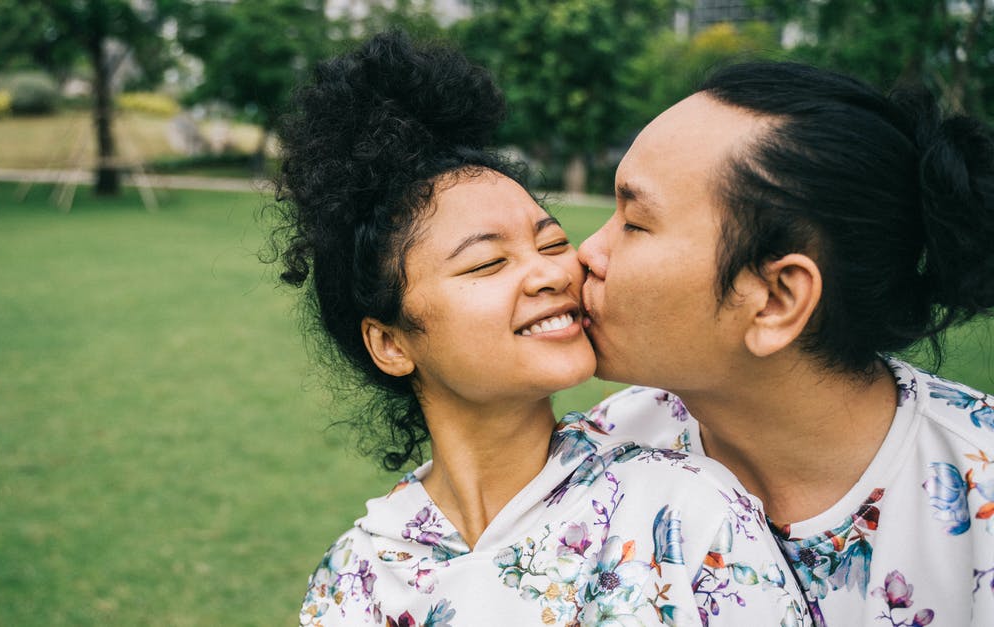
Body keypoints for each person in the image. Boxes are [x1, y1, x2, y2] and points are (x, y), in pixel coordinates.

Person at [274, 33, 809, 626]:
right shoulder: (356, 576)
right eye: (486, 262)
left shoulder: (684, 509)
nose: (552, 272)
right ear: (392, 344)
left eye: (552, 242)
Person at [576, 61, 994, 626]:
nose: (586, 254)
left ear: (775, 300)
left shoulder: (980, 494)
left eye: (635, 222)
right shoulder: (600, 457)